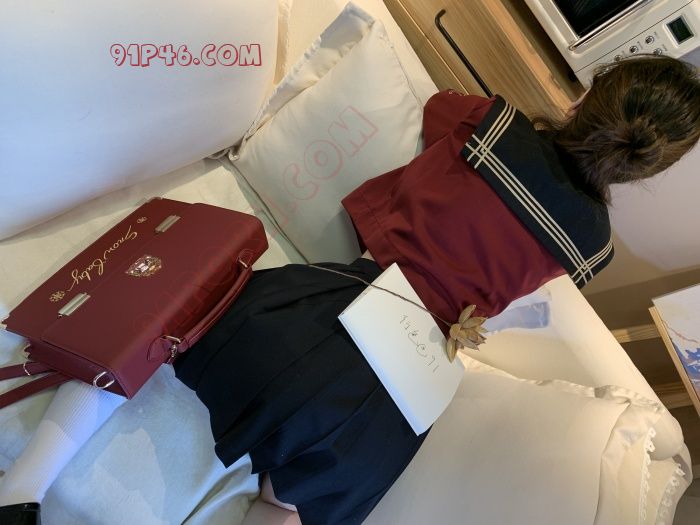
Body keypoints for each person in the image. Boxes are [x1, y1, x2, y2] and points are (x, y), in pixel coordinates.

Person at [1, 55, 699, 525]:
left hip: (334, 313)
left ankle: (23, 486)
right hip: (395, 398)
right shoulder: (593, 248)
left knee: (158, 323)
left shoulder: (493, 126)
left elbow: (436, 111)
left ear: (587, 96)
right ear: (644, 167)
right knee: (286, 503)